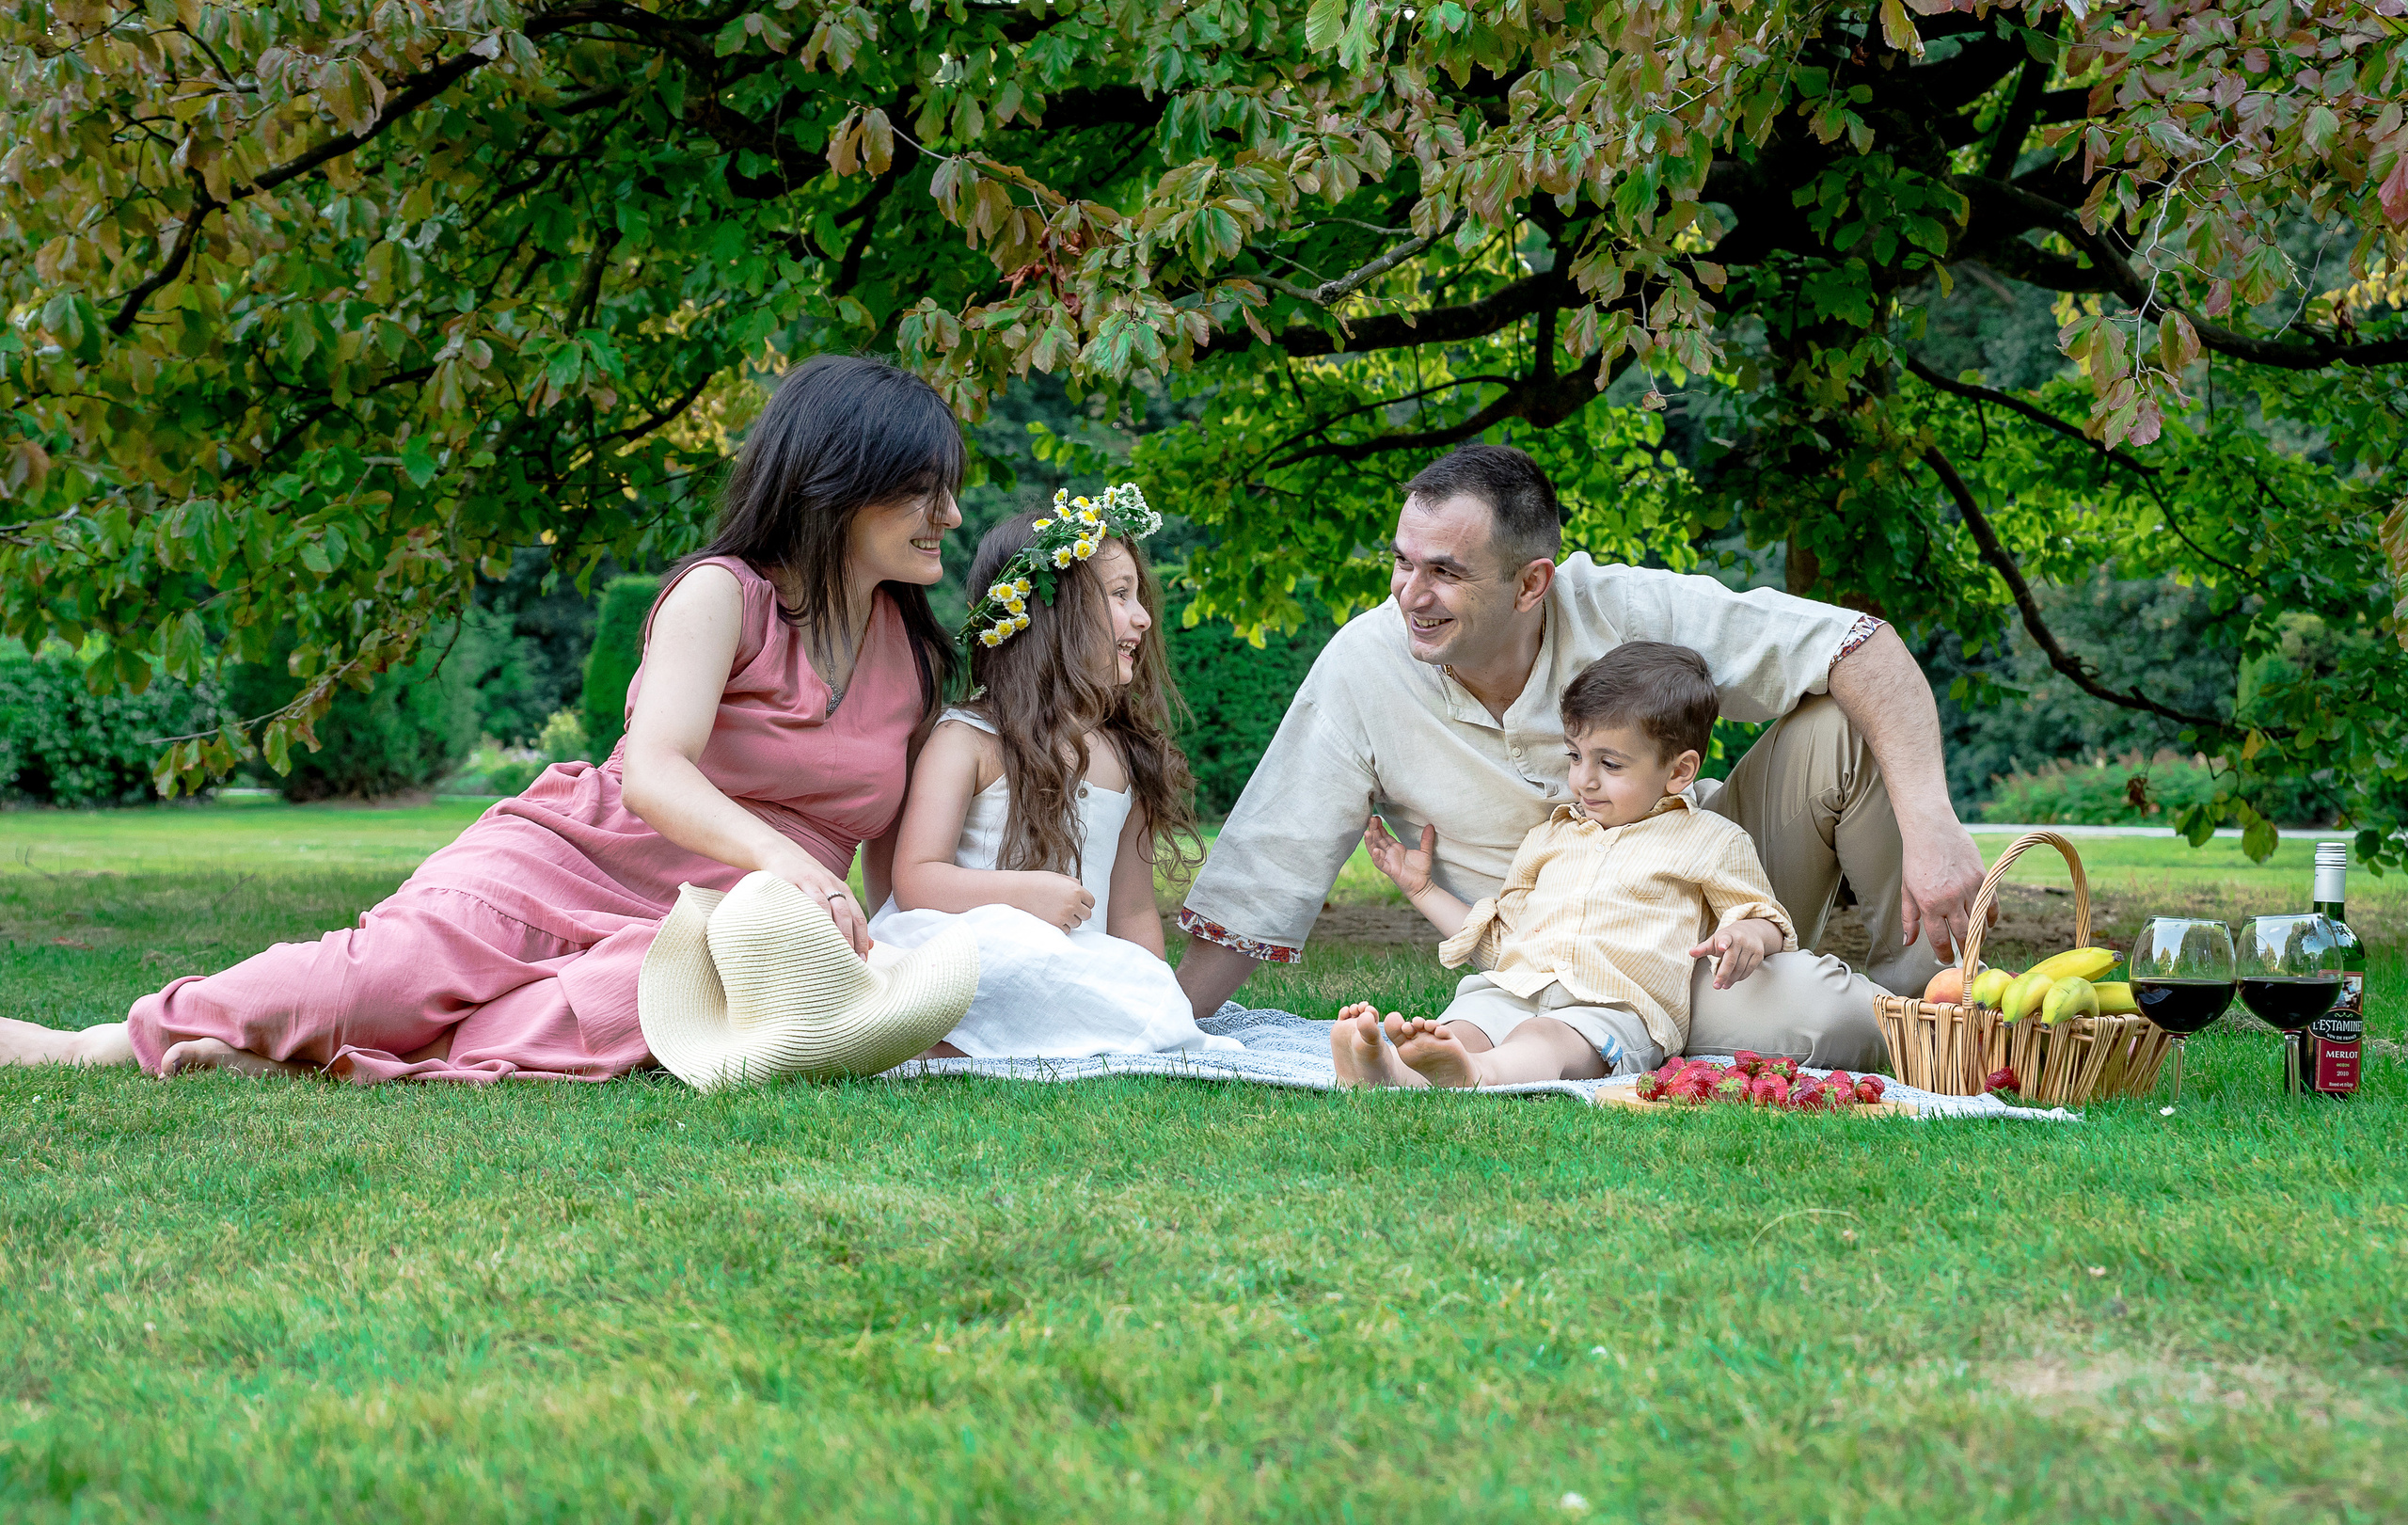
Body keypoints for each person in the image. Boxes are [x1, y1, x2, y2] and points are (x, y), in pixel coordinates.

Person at [0, 354, 965, 1081]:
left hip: (713, 924)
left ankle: (316, 1066)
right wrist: (790, 862)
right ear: (837, 483)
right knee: (381, 982)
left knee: (613, 1016)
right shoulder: (724, 594)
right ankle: (102, 1042)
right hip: (576, 859)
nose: (950, 516)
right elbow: (654, 771)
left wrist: (890, 976)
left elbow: (893, 864)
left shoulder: (918, 658)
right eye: (925, 490)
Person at [1175, 443, 1989, 1069]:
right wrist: (1172, 1024)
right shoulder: (1363, 666)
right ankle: (1886, 1027)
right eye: (1402, 561)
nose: (1410, 595)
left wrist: (1932, 823)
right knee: (1826, 1021)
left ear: (1532, 584)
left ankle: (1937, 1016)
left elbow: (1858, 645)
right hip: (1552, 964)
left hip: (1703, 911)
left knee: (1845, 718)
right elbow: (1269, 860)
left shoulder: (1623, 606)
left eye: (1445, 572)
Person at [867, 488, 1240, 1057]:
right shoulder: (969, 738)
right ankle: (946, 1038)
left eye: (1138, 597)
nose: (1143, 617)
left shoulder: (1126, 755)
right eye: (1120, 595)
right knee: (1011, 949)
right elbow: (916, 880)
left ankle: (1009, 1043)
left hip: (1072, 963)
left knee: (1120, 983)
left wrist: (1156, 1002)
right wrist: (1022, 895)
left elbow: (1132, 911)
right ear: (1051, 612)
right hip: (970, 945)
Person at [1332, 643, 1796, 1088]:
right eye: (1575, 756)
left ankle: (1481, 1074)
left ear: (1678, 771)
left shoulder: (1711, 839)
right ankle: (1393, 1073)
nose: (1583, 780)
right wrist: (1422, 889)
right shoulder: (1549, 837)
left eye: (1609, 764)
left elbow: (1765, 916)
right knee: (1465, 1027)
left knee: (1542, 1038)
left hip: (1610, 1009)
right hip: (1514, 988)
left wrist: (1749, 934)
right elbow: (1499, 944)